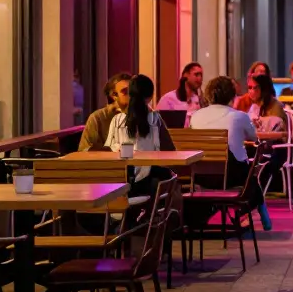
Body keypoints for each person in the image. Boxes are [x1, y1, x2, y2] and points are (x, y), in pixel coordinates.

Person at [190, 76, 271, 228]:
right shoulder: (239, 116)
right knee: (250, 174)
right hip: (232, 177)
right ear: (232, 95)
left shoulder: (195, 116)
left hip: (202, 176)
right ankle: (254, 215)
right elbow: (254, 137)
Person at [105, 74, 177, 199]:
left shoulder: (117, 121)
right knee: (172, 178)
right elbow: (170, 151)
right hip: (150, 184)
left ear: (130, 94)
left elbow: (109, 151)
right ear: (150, 97)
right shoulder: (155, 119)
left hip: (122, 185)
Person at [79, 72, 133, 151]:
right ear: (114, 95)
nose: (131, 95)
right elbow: (84, 150)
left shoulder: (145, 115)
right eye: (125, 92)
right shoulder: (98, 118)